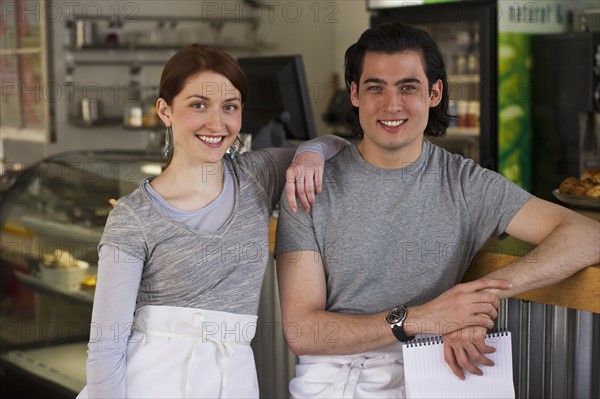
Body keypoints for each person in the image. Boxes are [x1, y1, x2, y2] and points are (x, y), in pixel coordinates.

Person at [274, 22, 600, 398]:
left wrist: (477, 299)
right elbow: (303, 331)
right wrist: (424, 317)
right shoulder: (308, 186)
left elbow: (587, 235)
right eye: (375, 87)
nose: (392, 105)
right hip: (334, 384)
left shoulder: (467, 183)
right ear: (354, 94)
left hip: (436, 375)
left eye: (408, 87)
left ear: (434, 92)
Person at [77, 44, 348, 399]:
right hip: (152, 384)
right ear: (165, 110)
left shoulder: (257, 176)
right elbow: (106, 347)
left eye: (230, 107)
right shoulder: (133, 217)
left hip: (233, 381)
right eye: (198, 105)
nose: (216, 123)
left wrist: (309, 154)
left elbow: (341, 146)